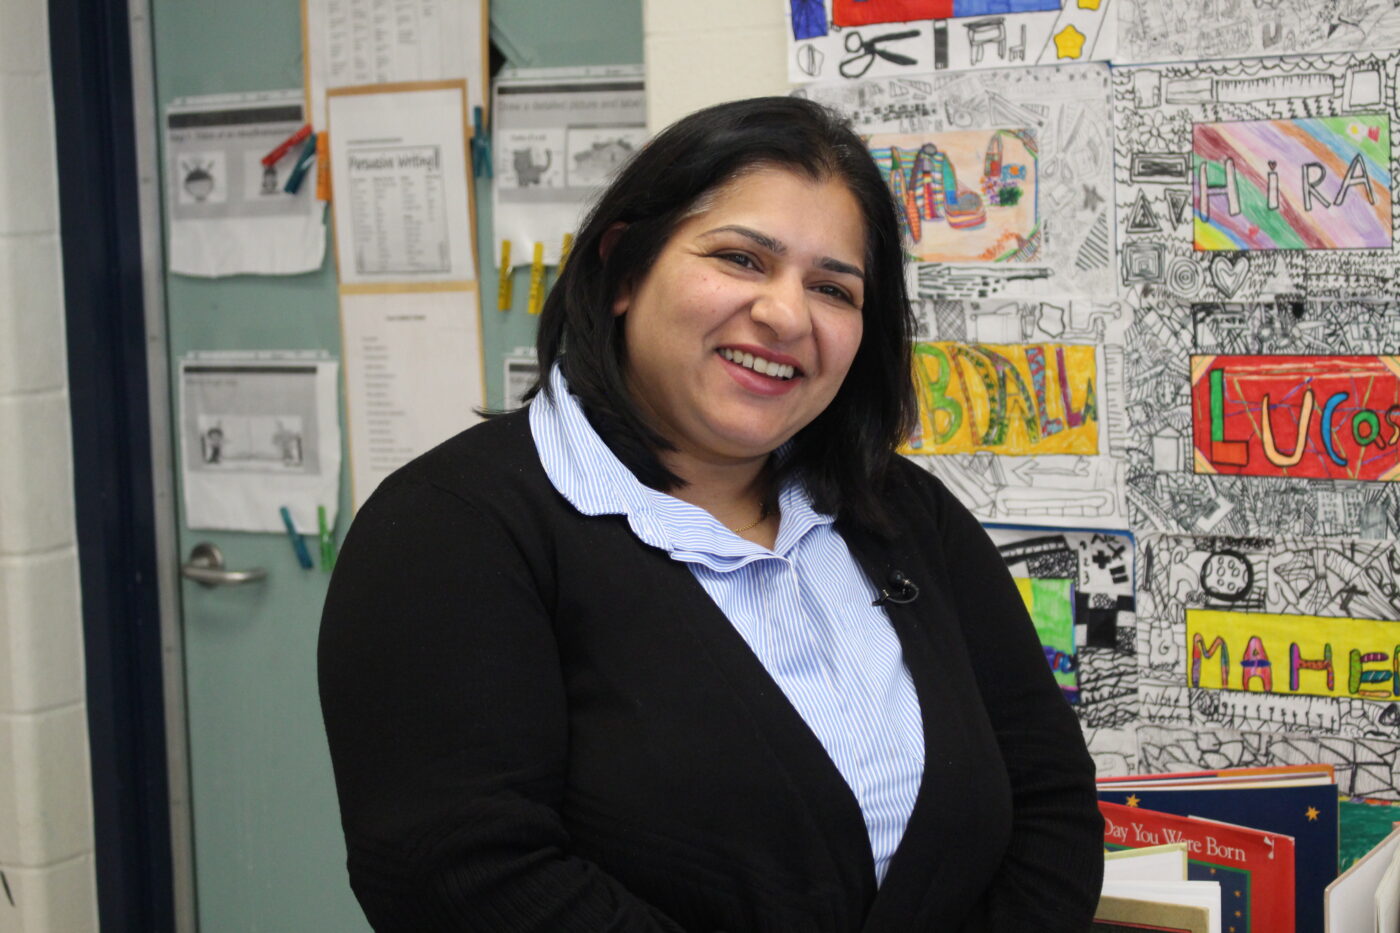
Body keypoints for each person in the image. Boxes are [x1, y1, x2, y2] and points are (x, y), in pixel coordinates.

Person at [319, 96, 1103, 932]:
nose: (786, 314)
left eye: (832, 287)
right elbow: (462, 877)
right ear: (625, 270)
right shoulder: (451, 532)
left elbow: (1047, 798)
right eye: (740, 258)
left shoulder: (902, 513)